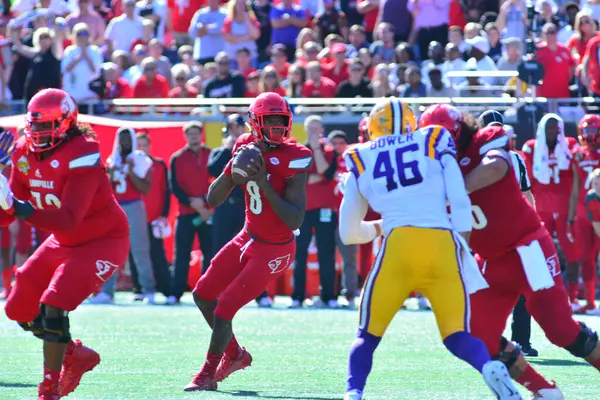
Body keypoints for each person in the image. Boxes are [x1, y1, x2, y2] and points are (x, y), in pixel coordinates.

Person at [340, 98, 520, 400]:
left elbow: (348, 234)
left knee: (367, 336)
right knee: (458, 336)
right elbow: (460, 199)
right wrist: (461, 247)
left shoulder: (361, 156)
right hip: (442, 244)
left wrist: (381, 226)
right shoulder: (433, 139)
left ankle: (353, 392)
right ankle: (488, 367)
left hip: (398, 246)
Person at [420, 104, 600, 399]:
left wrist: (452, 188)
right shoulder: (432, 167)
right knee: (478, 334)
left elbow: (497, 166)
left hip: (528, 248)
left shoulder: (485, 139)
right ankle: (544, 391)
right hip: (492, 260)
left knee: (560, 331)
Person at [0, 88, 130, 399]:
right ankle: (75, 354)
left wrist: (17, 207)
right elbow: (7, 215)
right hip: (63, 241)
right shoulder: (23, 151)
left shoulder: (84, 149)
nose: (38, 134)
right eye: (34, 126)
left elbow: (70, 217)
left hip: (102, 240)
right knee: (18, 307)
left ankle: (50, 387)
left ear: (66, 122)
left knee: (54, 304)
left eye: (45, 126)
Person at [184, 92, 313, 391]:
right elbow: (213, 198)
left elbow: (295, 220)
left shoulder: (296, 156)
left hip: (276, 248)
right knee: (203, 294)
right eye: (270, 121)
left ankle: (207, 373)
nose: (277, 127)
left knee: (224, 307)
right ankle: (236, 355)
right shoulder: (244, 145)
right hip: (248, 236)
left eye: (281, 120)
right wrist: (233, 171)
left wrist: (264, 181)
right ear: (256, 123)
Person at [478, 110, 538, 357]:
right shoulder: (474, 158)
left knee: (521, 285)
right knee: (483, 286)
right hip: (486, 230)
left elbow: (526, 194)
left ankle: (518, 339)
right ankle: (485, 338)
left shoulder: (514, 159)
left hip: (508, 229)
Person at [521, 114, 580, 309]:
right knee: (540, 251)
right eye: (549, 127)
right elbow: (526, 179)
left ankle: (573, 297)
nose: (553, 131)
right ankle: (543, 294)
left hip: (564, 207)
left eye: (556, 128)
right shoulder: (531, 147)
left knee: (571, 251)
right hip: (542, 206)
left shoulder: (569, 145)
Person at [569, 114, 600, 314]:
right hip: (582, 212)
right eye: (586, 130)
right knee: (586, 257)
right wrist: (570, 217)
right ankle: (590, 301)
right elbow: (574, 187)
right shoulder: (577, 154)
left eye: (592, 130)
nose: (588, 135)